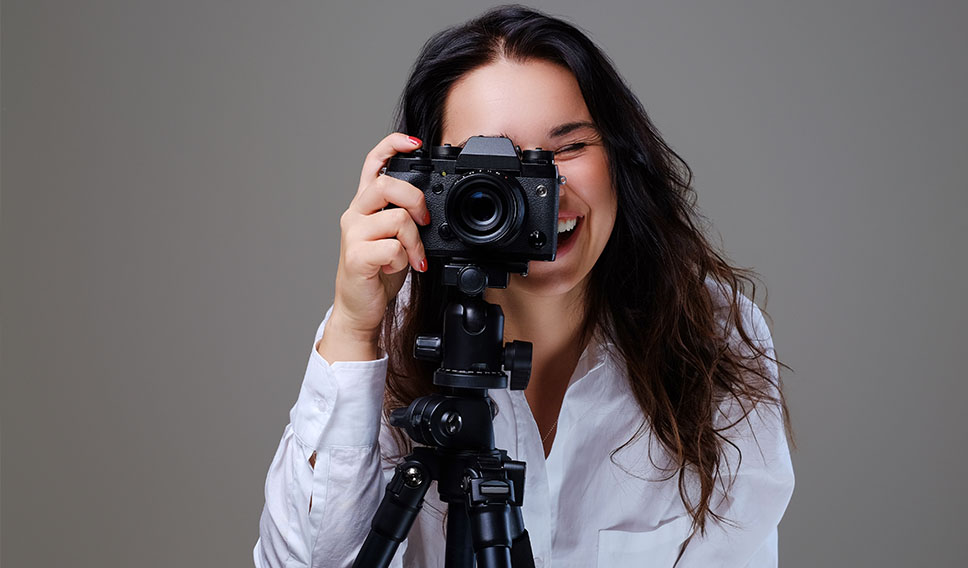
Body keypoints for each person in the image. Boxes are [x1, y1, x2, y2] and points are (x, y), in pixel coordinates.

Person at [254, 5, 794, 567]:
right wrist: (353, 326)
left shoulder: (710, 331)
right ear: (428, 184)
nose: (541, 190)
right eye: (491, 167)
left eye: (566, 149)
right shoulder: (381, 337)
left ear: (620, 158)